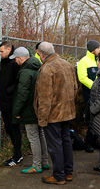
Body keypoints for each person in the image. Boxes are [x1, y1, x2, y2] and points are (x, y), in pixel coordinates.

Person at [34, 42, 77, 185]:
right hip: (67, 111)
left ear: (41, 54)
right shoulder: (67, 64)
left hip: (53, 114)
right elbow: (75, 88)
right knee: (66, 141)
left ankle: (59, 176)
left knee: (55, 145)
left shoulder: (47, 69)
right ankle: (68, 172)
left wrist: (42, 119)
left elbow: (44, 98)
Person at [10, 47, 49, 174]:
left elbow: (22, 94)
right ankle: (45, 161)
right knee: (41, 134)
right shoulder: (38, 66)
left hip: (29, 109)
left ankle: (36, 165)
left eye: (16, 59)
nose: (15, 62)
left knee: (33, 137)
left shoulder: (26, 72)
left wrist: (16, 112)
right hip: (39, 107)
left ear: (21, 58)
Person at [0, 41, 23, 166]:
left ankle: (18, 155)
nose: (0, 54)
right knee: (8, 128)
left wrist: (8, 91)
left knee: (14, 129)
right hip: (4, 102)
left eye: (2, 51)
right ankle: (16, 153)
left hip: (11, 102)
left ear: (9, 49)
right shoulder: (4, 61)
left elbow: (19, 82)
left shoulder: (14, 63)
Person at [77, 40, 100, 153]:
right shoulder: (83, 62)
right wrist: (94, 86)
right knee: (91, 120)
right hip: (90, 96)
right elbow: (82, 78)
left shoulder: (98, 61)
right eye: (98, 48)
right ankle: (88, 142)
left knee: (98, 120)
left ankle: (95, 141)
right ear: (93, 49)